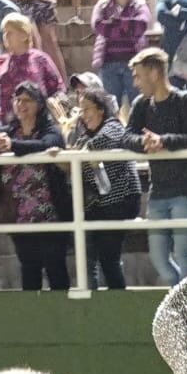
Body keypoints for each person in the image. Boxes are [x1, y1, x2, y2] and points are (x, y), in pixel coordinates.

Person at [123, 46, 187, 286]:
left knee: (183, 252)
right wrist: (145, 142)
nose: (136, 82)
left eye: (138, 75)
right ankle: (183, 294)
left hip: (185, 189)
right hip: (158, 191)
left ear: (155, 73)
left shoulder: (185, 99)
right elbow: (127, 138)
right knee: (159, 258)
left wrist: (163, 141)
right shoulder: (141, 104)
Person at [0, 81, 70, 291]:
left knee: (56, 269)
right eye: (17, 100)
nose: (21, 104)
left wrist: (13, 146)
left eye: (27, 100)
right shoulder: (9, 131)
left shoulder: (49, 130)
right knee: (29, 269)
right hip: (18, 215)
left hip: (50, 215)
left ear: (39, 104)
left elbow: (48, 145)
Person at [67, 85, 142, 289]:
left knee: (109, 258)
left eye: (87, 109)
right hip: (98, 204)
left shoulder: (114, 126)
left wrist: (78, 153)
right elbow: (73, 156)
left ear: (100, 109)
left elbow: (100, 143)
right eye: (80, 111)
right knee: (90, 257)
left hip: (120, 201)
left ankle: (118, 303)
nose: (83, 116)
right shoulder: (83, 135)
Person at [0, 12, 63, 122]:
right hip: (9, 122)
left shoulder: (40, 59)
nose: (5, 37)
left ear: (24, 35)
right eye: (4, 33)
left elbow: (57, 88)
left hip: (38, 122)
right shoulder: (1, 61)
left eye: (9, 32)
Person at [90, 0, 149, 113]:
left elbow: (141, 26)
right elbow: (98, 26)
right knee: (109, 110)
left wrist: (115, 24)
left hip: (134, 63)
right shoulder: (102, 5)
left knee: (138, 106)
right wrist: (126, 28)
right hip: (108, 62)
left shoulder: (139, 5)